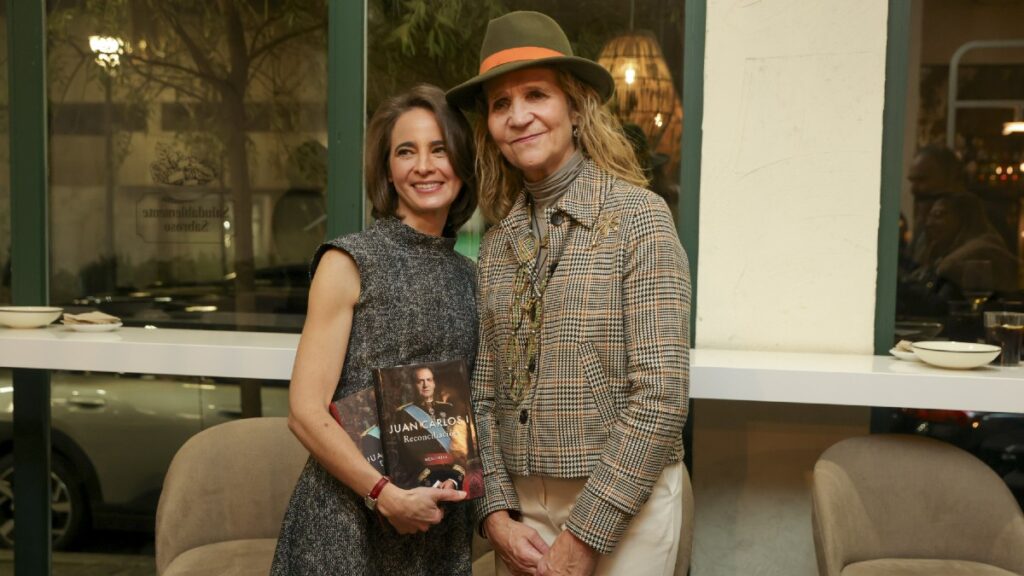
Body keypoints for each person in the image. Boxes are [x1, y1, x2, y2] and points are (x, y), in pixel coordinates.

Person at [447, 11, 690, 576]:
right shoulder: (497, 242)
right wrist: (495, 514)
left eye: (536, 94)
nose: (519, 116)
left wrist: (585, 534)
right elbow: (479, 394)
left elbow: (661, 396)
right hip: (523, 514)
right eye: (501, 104)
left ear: (575, 108)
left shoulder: (639, 219)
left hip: (627, 503)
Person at [270, 84, 479, 575]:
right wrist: (383, 494)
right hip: (345, 527)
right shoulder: (350, 260)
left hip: (436, 529)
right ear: (388, 170)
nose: (424, 166)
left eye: (439, 150)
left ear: (462, 165)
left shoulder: (469, 277)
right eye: (406, 151)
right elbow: (303, 411)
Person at [389, 366, 469, 490]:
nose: (425, 385)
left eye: (429, 380)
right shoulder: (403, 415)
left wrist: (453, 480)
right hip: (426, 483)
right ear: (413, 385)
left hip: (455, 477)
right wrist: (434, 484)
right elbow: (406, 458)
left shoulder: (449, 408)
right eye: (420, 381)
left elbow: (463, 448)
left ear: (434, 383)